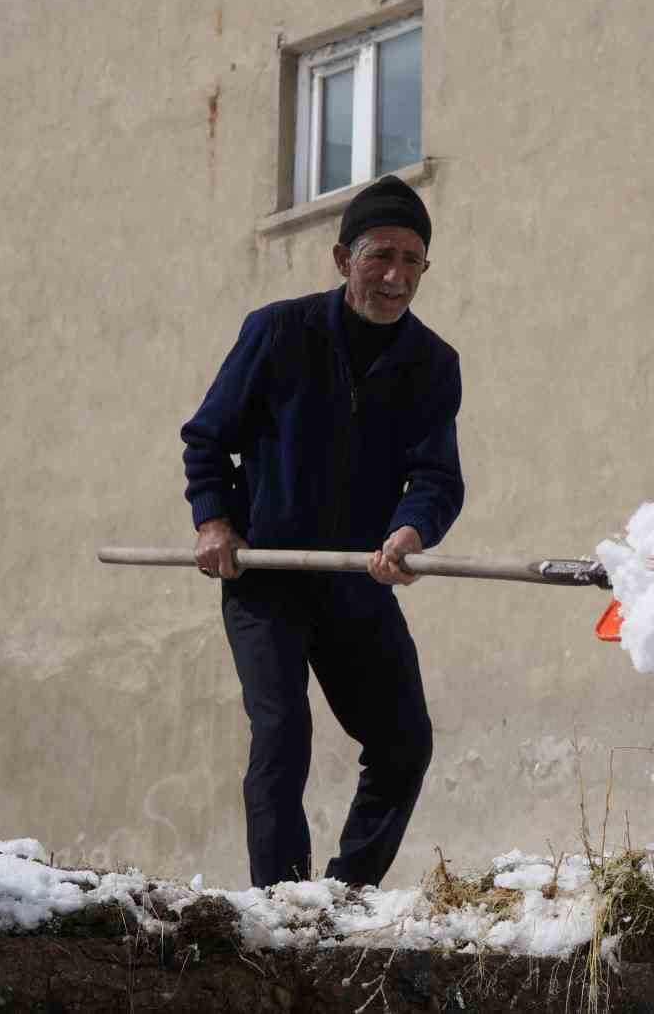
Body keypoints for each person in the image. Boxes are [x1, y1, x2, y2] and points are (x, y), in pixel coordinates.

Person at [180, 176, 464, 889]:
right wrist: (214, 520)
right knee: (283, 734)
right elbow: (209, 438)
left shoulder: (433, 366)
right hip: (266, 574)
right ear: (343, 260)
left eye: (412, 261)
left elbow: (437, 479)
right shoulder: (278, 332)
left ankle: (343, 895)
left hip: (353, 578)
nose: (396, 277)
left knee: (404, 742)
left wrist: (409, 534)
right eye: (380, 257)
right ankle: (281, 901)